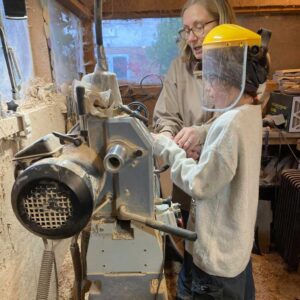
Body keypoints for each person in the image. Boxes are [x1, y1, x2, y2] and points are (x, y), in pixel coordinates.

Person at [152, 24, 271, 299]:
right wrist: (204, 143)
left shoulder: (229, 125)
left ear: (232, 79)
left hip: (214, 262)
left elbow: (200, 184)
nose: (208, 87)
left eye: (213, 79)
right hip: (235, 251)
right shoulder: (250, 112)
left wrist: (168, 148)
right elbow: (224, 163)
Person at [152, 1, 236, 298]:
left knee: (220, 260)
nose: (192, 37)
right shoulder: (179, 67)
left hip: (224, 184)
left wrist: (202, 132)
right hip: (188, 180)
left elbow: (240, 118)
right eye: (187, 29)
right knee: (191, 247)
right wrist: (165, 135)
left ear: (221, 21)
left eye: (199, 26)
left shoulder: (241, 66)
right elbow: (166, 115)